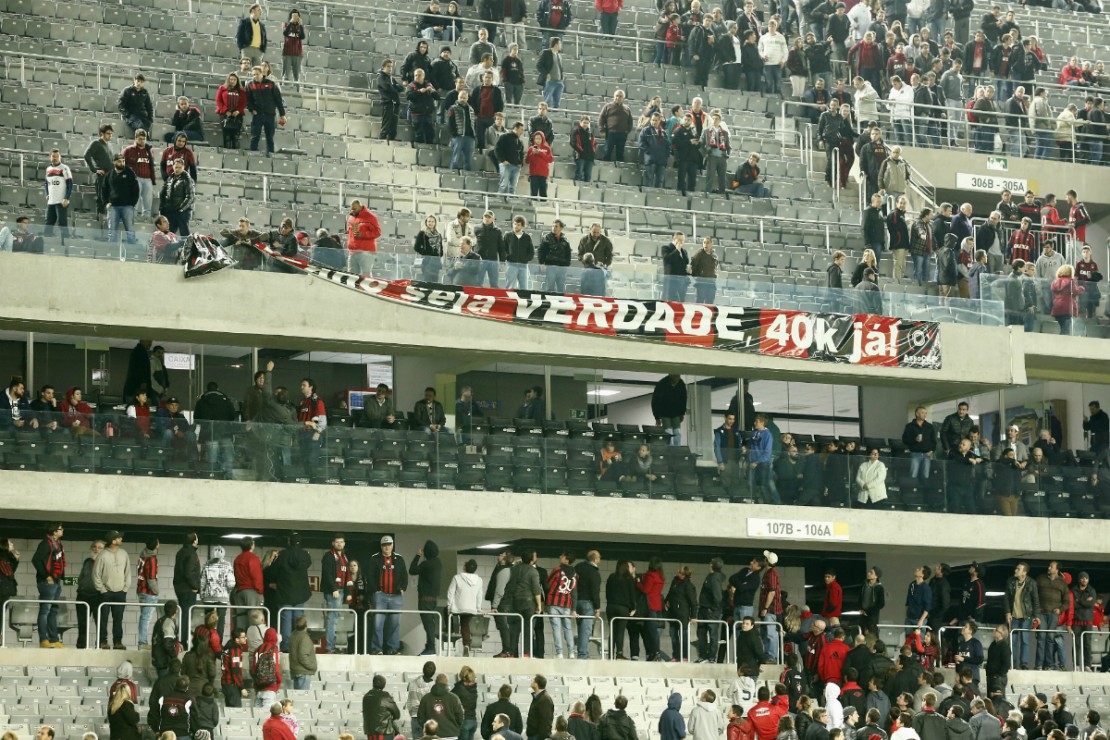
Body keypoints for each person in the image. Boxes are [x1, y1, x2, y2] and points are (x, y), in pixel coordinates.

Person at [93, 530, 131, 650]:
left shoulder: (124, 554)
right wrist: (102, 590)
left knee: (118, 619)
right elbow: (96, 574)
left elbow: (128, 572)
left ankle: (117, 642)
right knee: (103, 619)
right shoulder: (102, 555)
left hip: (120, 592)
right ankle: (102, 642)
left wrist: (125, 588)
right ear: (113, 541)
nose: (121, 539)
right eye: (119, 538)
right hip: (106, 592)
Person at [246, 65, 287, 156]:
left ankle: (270, 155)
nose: (255, 76)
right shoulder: (250, 85)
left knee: (270, 138)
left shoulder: (271, 84)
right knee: (255, 136)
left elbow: (278, 99)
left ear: (262, 73)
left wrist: (282, 114)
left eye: (257, 74)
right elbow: (248, 100)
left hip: (270, 115)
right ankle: (252, 155)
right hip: (257, 115)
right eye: (253, 74)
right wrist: (252, 109)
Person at [159, 158, 195, 238]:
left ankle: (186, 246)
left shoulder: (187, 179)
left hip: (182, 212)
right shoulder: (170, 178)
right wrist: (163, 207)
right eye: (176, 167)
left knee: (184, 233)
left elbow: (190, 196)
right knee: (169, 234)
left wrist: (182, 209)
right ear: (173, 167)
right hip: (170, 210)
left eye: (179, 167)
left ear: (183, 167)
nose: (177, 169)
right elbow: (163, 193)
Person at [1049, 264, 1083, 337]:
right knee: (1066, 328)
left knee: (1062, 326)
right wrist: (1081, 288)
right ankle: (1064, 341)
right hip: (1067, 307)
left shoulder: (1055, 282)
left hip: (1057, 307)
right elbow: (1074, 291)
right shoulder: (1070, 281)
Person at [496, 122, 526, 195]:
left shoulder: (520, 142)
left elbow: (521, 154)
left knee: (513, 187)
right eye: (521, 129)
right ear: (515, 128)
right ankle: (499, 199)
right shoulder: (505, 137)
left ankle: (511, 200)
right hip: (506, 165)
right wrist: (503, 160)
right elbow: (497, 149)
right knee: (504, 185)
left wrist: (520, 163)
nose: (522, 132)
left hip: (516, 167)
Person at [525, 131, 554, 199]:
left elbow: (550, 160)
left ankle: (543, 204)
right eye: (536, 138)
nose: (537, 140)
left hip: (543, 174)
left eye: (539, 139)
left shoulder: (547, 148)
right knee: (533, 193)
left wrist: (540, 153)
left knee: (543, 193)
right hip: (533, 174)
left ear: (542, 139)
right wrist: (532, 154)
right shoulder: (531, 148)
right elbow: (527, 161)